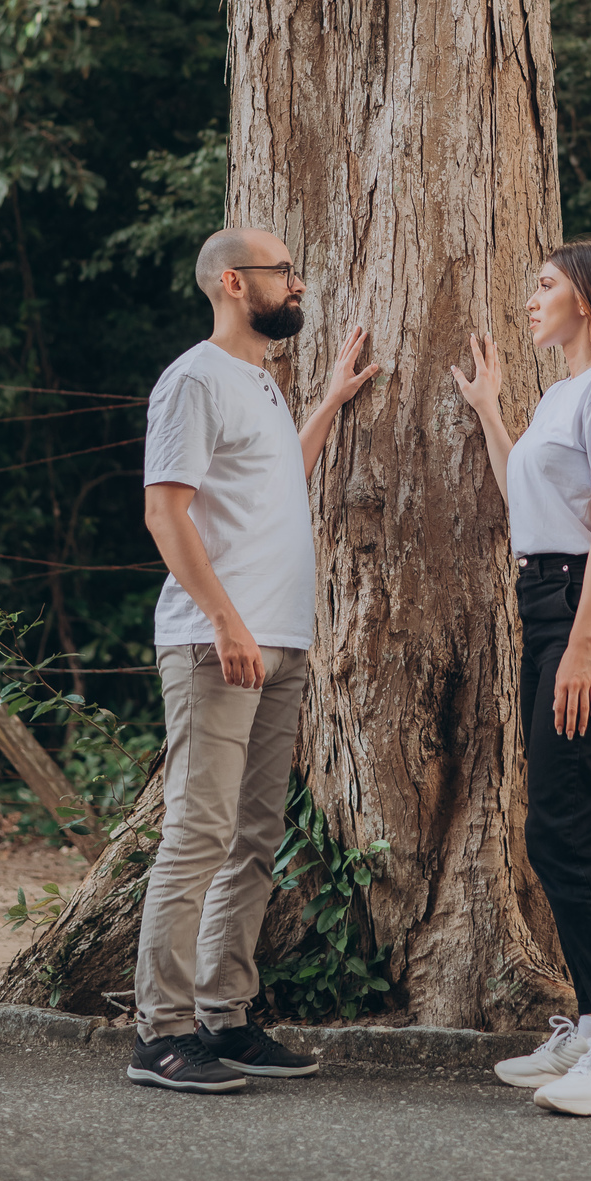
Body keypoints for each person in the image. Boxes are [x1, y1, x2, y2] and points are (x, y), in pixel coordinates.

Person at [129, 227, 379, 1094]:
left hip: (281, 641)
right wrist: (226, 622)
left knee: (255, 836)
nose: (299, 282)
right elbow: (167, 512)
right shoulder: (195, 379)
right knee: (197, 834)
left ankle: (223, 1016)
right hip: (214, 643)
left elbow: (278, 480)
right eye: (285, 271)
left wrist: (331, 402)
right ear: (234, 282)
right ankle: (158, 1033)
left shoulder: (263, 384)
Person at [450, 237, 591, 1117]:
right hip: (548, 611)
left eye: (545, 284)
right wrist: (489, 410)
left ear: (588, 297)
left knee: (564, 830)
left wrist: (580, 646)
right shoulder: (560, 395)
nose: (531, 297)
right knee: (566, 827)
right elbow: (530, 498)